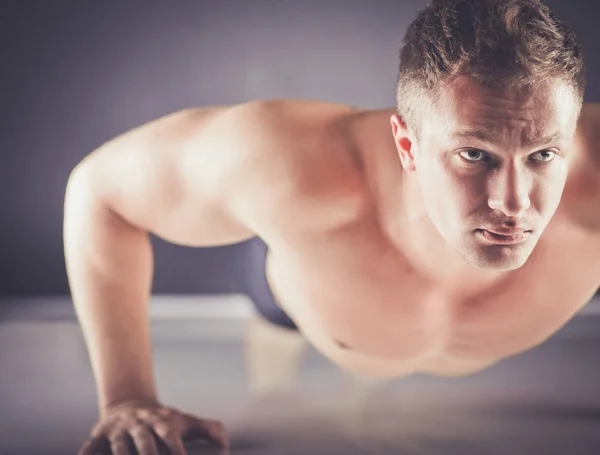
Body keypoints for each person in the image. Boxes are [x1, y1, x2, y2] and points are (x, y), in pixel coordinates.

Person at [64, 0, 600, 454]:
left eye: (543, 154)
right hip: (303, 289)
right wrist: (127, 399)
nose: (513, 202)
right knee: (275, 344)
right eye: (474, 154)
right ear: (408, 145)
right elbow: (100, 192)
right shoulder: (288, 168)